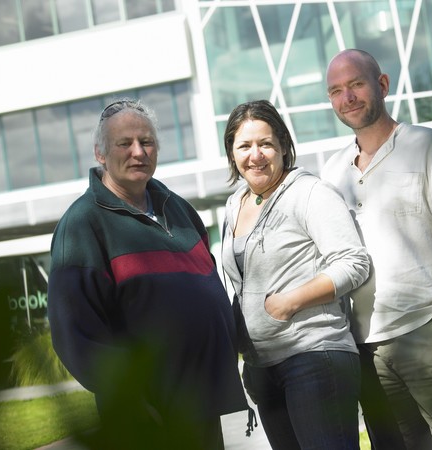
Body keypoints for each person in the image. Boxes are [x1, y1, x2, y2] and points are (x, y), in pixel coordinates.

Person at [47, 98, 248, 449]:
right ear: (100, 153)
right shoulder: (82, 224)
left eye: (147, 141)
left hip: (201, 407)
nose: (138, 152)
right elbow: (75, 333)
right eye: (124, 143)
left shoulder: (180, 209)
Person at [321, 49, 432, 450]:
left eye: (356, 84)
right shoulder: (331, 173)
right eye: (336, 90)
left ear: (382, 85)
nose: (347, 97)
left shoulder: (430, 148)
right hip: (368, 350)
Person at [221, 99, 370, 449]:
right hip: (263, 367)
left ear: (283, 147)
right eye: (244, 145)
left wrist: (291, 301)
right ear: (231, 154)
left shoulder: (309, 193)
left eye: (265, 144)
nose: (255, 155)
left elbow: (353, 262)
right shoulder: (234, 205)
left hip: (314, 356)